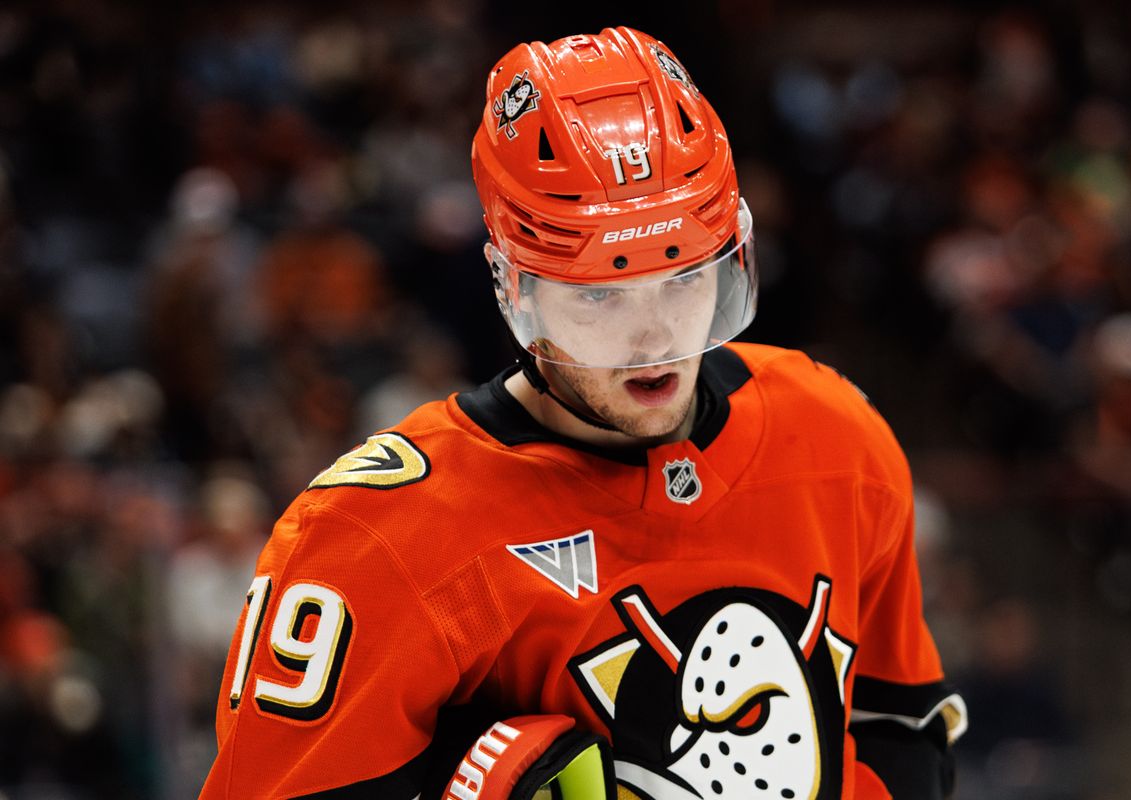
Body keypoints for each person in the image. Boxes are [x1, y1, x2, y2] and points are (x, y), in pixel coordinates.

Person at [200, 27, 966, 799]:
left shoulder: (834, 435)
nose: (656, 336)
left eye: (683, 276)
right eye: (600, 293)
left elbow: (900, 736)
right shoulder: (373, 540)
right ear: (515, 287)